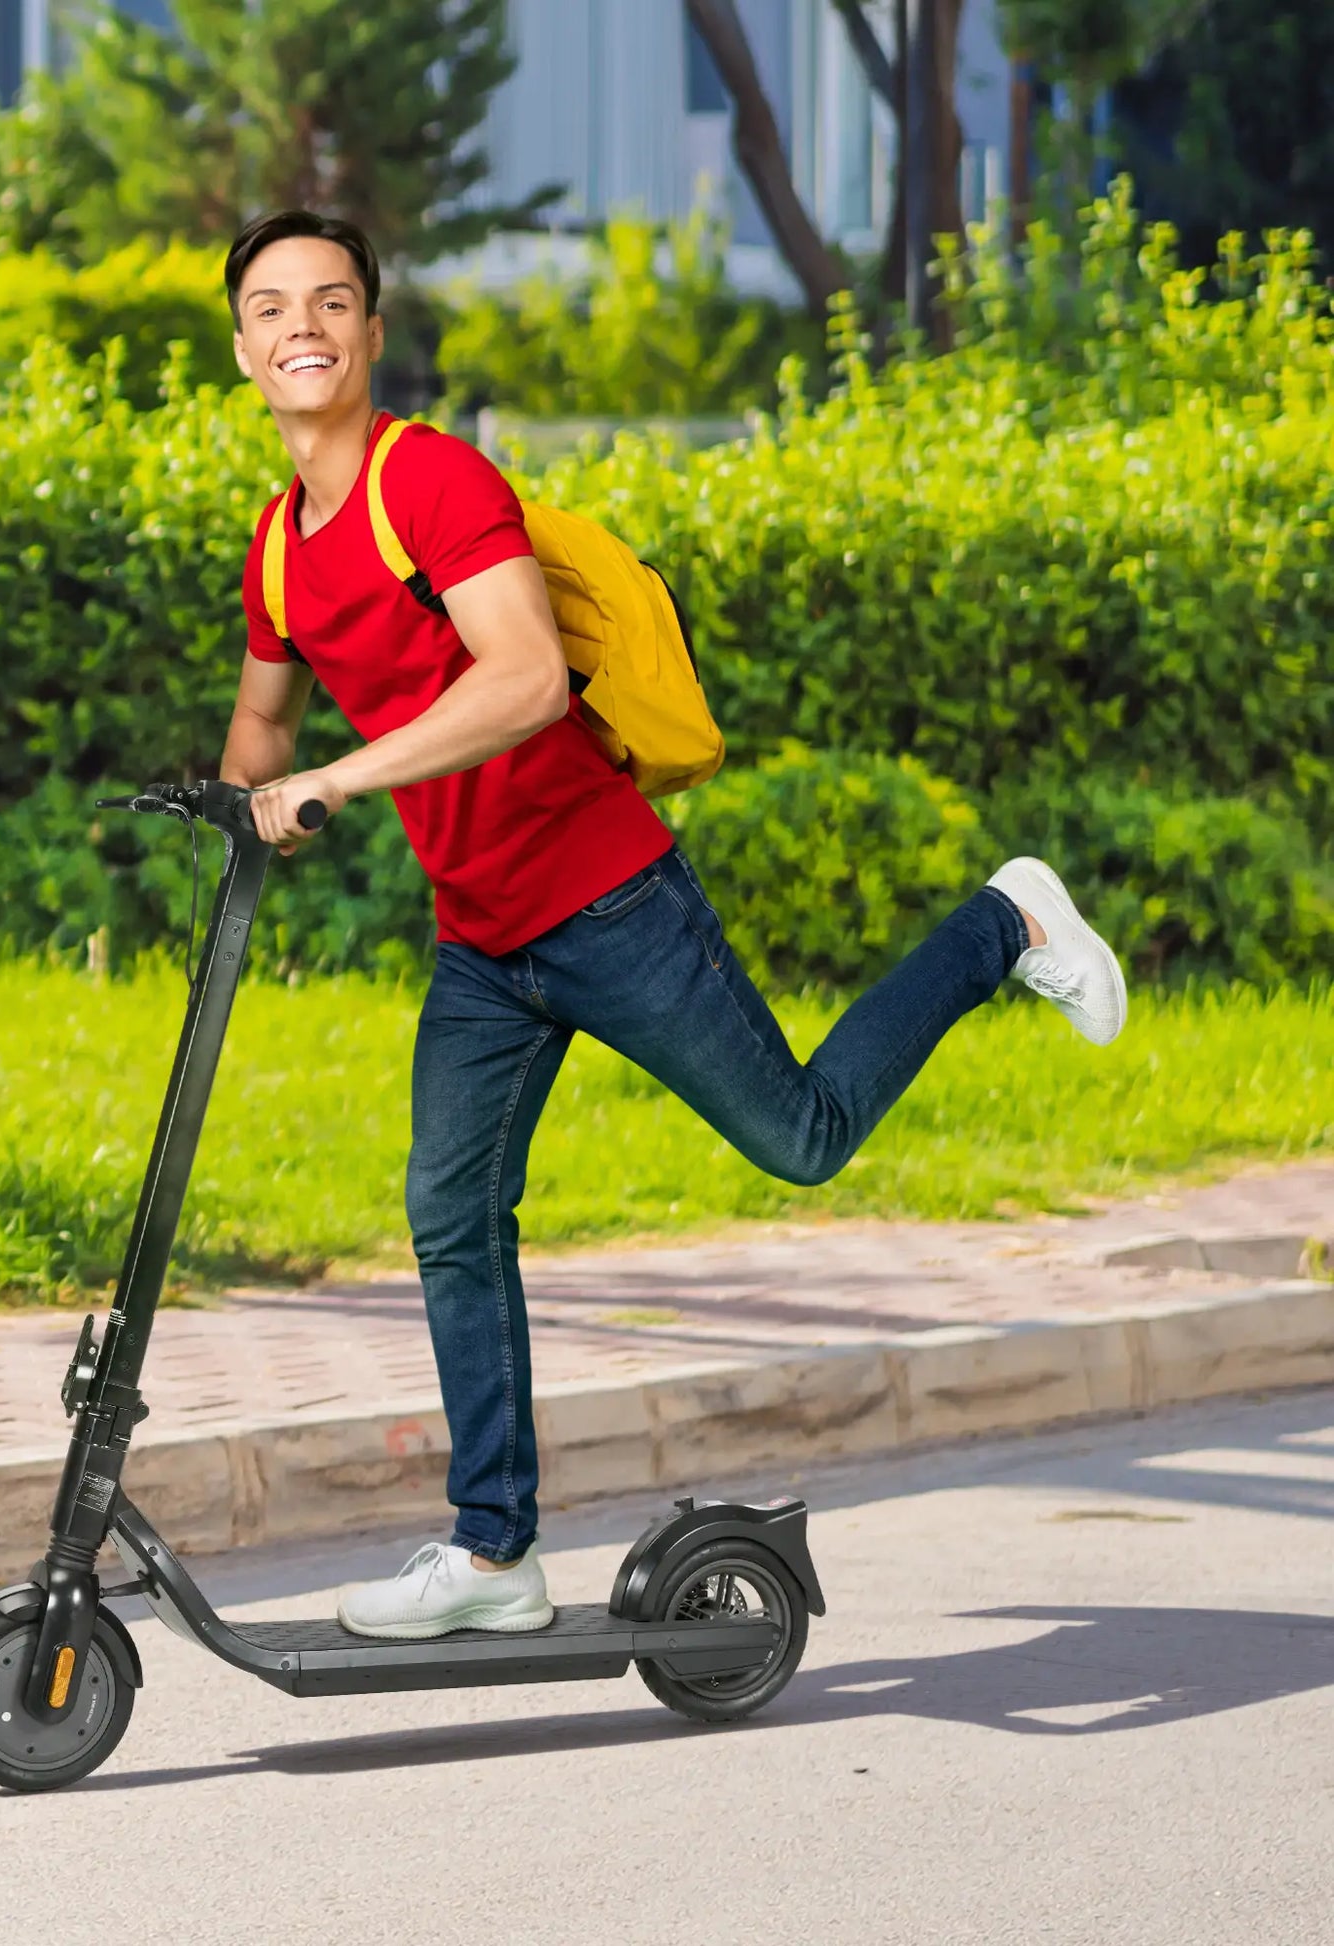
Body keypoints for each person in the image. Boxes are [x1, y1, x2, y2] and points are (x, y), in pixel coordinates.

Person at [215, 208, 1126, 1641]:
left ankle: (1001, 922)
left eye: (331, 300)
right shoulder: (279, 546)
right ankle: (494, 1552)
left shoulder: (431, 482)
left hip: (606, 896)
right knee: (451, 1215)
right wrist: (227, 799)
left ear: (373, 334)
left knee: (802, 1137)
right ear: (242, 349)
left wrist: (338, 776)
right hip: (483, 943)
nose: (302, 326)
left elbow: (519, 680)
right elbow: (262, 716)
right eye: (272, 308)